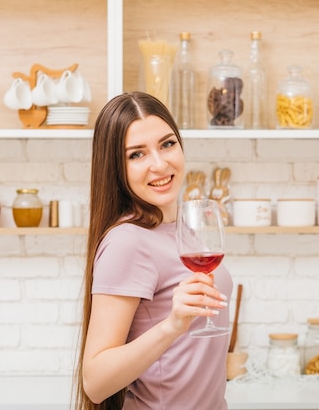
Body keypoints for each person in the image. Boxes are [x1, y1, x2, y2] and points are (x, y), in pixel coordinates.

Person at [74, 91, 233, 410]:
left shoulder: (181, 229)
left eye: (167, 144)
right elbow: (96, 382)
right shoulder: (128, 241)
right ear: (116, 167)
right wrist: (172, 325)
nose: (160, 164)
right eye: (136, 154)